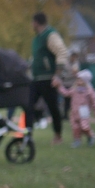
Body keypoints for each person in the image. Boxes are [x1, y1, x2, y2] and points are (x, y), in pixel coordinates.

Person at [28, 12, 69, 145]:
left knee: (53, 108)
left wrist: (57, 75)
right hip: (36, 79)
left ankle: (58, 136)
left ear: (36, 22)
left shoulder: (50, 35)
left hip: (48, 79)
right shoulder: (37, 38)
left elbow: (61, 51)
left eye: (32, 22)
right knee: (27, 105)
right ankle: (27, 135)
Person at [55, 70, 95, 148]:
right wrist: (59, 87)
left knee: (84, 126)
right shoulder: (74, 90)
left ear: (85, 81)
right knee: (75, 128)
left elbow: (94, 101)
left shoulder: (89, 91)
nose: (79, 81)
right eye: (78, 80)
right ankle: (77, 141)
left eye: (81, 80)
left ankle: (91, 135)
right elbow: (66, 93)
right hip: (74, 112)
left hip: (84, 112)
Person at [62, 52, 80, 120]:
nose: (74, 59)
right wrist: (71, 75)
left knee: (73, 101)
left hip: (73, 85)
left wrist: (76, 74)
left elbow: (77, 74)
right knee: (66, 101)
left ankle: (73, 115)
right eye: (73, 57)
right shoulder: (66, 64)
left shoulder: (76, 63)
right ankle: (65, 115)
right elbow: (63, 75)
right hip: (66, 84)